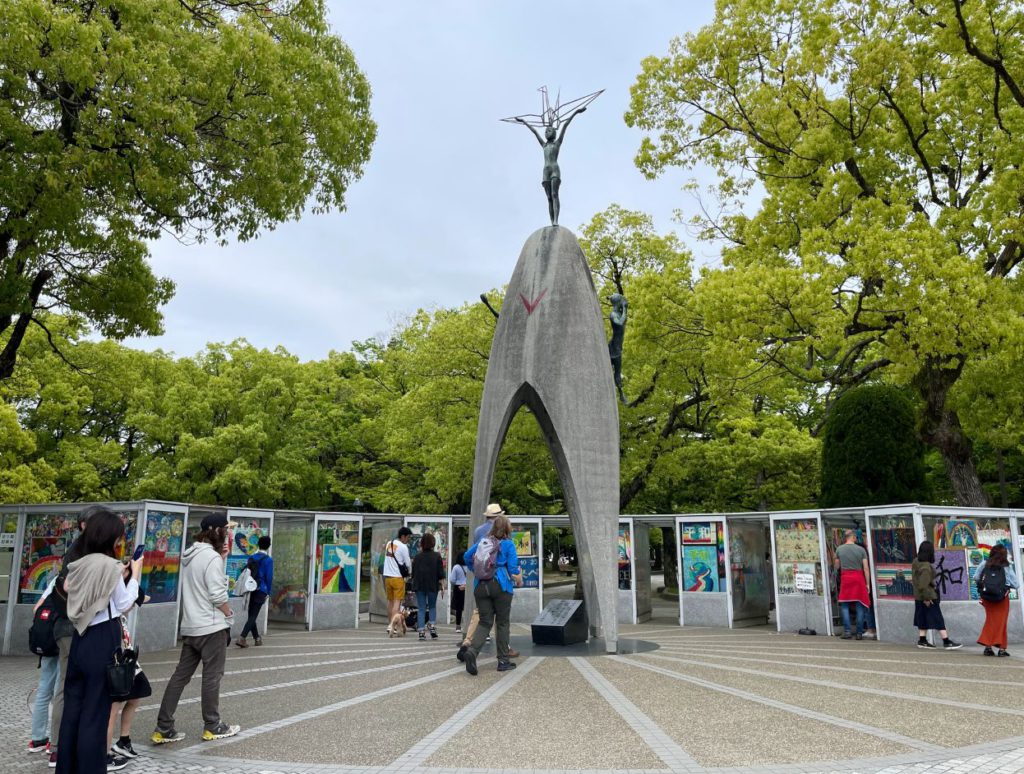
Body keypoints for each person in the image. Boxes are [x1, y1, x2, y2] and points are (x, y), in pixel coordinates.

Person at [56, 507, 143, 774]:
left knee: (74, 709)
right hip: (103, 637)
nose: (119, 541)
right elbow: (124, 603)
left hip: (80, 638)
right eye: (118, 537)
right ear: (109, 537)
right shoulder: (111, 566)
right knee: (96, 711)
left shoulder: (78, 564)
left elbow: (69, 588)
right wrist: (135, 574)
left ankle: (67, 767)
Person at [152, 513, 240, 745]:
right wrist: (229, 614)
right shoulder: (210, 558)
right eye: (225, 529)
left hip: (191, 626)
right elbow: (217, 594)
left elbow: (203, 585)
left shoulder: (192, 556)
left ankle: (163, 727)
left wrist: (221, 559)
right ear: (216, 531)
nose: (228, 534)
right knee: (212, 677)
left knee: (180, 676)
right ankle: (213, 725)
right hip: (211, 627)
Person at [461, 515, 523, 675]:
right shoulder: (508, 544)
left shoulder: (483, 542)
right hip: (500, 585)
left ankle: (472, 652)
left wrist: (477, 571)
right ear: (507, 529)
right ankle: (503, 661)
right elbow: (513, 569)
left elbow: (467, 557)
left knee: (485, 621)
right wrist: (518, 577)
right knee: (502, 623)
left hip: (480, 586)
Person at [514, 106, 586, 226]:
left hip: (554, 170)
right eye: (546, 131)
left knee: (554, 194)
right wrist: (524, 122)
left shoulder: (557, 143)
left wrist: (576, 112)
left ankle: (555, 221)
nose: (547, 132)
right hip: (546, 171)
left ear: (554, 133)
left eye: (550, 130)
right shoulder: (544, 145)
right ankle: (552, 220)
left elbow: (565, 125)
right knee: (548, 198)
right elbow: (534, 131)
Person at [27, 577, 63, 756]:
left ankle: (37, 739)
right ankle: (55, 741)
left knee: (43, 692)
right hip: (63, 643)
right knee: (60, 693)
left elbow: (36, 609)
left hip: (47, 646)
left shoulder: (56, 580)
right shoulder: (77, 579)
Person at [912, 540, 962, 650]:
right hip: (928, 596)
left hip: (918, 596)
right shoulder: (925, 566)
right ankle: (946, 641)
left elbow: (918, 583)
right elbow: (923, 585)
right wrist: (927, 598)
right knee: (938, 618)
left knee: (922, 618)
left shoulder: (916, 561)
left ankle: (922, 640)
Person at [974, 544, 1019, 657]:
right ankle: (999, 648)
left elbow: (976, 577)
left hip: (987, 597)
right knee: (1001, 622)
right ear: (1003, 555)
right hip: (1001, 598)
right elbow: (1016, 584)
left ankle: (990, 648)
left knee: (991, 620)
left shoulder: (985, 563)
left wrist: (986, 585)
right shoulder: (1006, 566)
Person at [236, 535, 273, 648]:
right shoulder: (268, 560)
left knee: (252, 614)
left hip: (250, 588)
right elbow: (269, 577)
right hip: (261, 589)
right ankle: (242, 637)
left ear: (258, 545)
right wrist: (269, 592)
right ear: (268, 546)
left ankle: (257, 638)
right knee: (253, 615)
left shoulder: (252, 557)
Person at [834, 530, 871, 640]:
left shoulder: (839, 549)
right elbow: (866, 568)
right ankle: (859, 632)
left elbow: (836, 566)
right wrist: (867, 583)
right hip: (859, 578)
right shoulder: (861, 550)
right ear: (854, 537)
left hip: (846, 578)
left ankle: (847, 631)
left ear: (846, 538)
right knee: (860, 604)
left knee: (845, 605)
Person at [411, 532, 445, 640]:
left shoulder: (417, 557)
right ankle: (432, 626)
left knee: (421, 608)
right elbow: (440, 573)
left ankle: (421, 632)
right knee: (432, 606)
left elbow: (414, 573)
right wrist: (442, 586)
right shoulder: (437, 556)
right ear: (433, 543)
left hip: (420, 585)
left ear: (421, 543)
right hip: (432, 585)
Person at [383, 527, 412, 636]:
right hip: (398, 578)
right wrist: (409, 573)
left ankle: (389, 625)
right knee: (397, 602)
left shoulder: (389, 544)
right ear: (403, 536)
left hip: (388, 577)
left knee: (390, 602)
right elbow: (408, 563)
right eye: (408, 537)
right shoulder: (403, 547)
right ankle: (393, 625)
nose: (408, 540)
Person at [449, 558, 467, 633]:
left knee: (459, 608)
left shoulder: (456, 567)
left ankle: (458, 626)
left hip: (458, 587)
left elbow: (452, 580)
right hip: (468, 587)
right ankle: (468, 625)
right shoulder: (469, 566)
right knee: (468, 607)